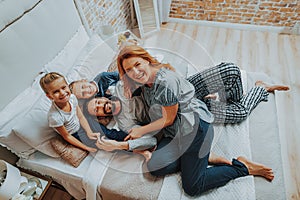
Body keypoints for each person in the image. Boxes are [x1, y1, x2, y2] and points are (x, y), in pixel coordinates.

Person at [96, 45, 274, 196]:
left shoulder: (165, 81)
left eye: (137, 64)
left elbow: (168, 118)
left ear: (147, 60)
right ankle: (201, 158)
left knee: (193, 186)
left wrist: (140, 131)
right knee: (155, 167)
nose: (135, 71)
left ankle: (241, 167)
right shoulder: (143, 84)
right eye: (129, 70)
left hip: (194, 129)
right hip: (175, 132)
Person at [70, 63, 289, 125]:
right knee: (239, 113)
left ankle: (224, 97)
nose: (99, 104)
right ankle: (260, 89)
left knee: (230, 71)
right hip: (178, 112)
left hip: (176, 89)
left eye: (98, 101)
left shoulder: (112, 87)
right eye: (84, 94)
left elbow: (116, 74)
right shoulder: (120, 122)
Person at [39, 72, 99, 153]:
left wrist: (89, 132)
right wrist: (86, 148)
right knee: (98, 143)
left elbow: (80, 116)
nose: (62, 93)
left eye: (64, 87)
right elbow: (67, 136)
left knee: (101, 130)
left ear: (67, 86)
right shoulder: (55, 117)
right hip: (74, 134)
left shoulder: (72, 98)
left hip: (80, 123)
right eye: (56, 91)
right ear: (49, 96)